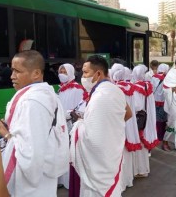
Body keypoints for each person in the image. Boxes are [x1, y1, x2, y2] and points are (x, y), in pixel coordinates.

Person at [0, 50, 69, 196]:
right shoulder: (43, 94)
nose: (12, 76)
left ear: (36, 73)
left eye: (17, 71)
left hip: (32, 181)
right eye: (12, 70)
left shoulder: (32, 102)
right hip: (43, 173)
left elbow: (31, 153)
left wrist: (3, 132)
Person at [70, 55, 131, 196]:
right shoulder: (114, 89)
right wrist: (111, 127)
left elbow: (92, 137)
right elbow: (128, 114)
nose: (82, 76)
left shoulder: (100, 96)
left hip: (100, 159)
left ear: (98, 73)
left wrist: (79, 124)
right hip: (112, 149)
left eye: (85, 72)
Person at [56, 63, 87, 195]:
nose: (62, 73)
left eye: (64, 71)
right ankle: (61, 178)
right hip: (60, 124)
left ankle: (69, 180)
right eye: (60, 71)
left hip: (71, 124)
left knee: (70, 152)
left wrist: (69, 114)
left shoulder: (77, 88)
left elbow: (80, 107)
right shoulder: (61, 89)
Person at [110, 63, 140, 190]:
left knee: (118, 154)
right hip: (130, 122)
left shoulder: (113, 89)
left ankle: (120, 183)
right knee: (127, 153)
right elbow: (136, 107)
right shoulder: (131, 87)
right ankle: (128, 178)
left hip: (119, 123)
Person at [132, 64, 159, 178]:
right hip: (147, 119)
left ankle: (140, 170)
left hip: (139, 119)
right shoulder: (148, 86)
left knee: (139, 146)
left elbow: (137, 106)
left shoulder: (136, 88)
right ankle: (144, 169)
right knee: (143, 147)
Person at [152, 63, 170, 150]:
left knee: (155, 120)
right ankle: (161, 138)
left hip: (153, 102)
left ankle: (155, 137)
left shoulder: (153, 77)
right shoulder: (166, 78)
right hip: (163, 102)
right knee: (162, 121)